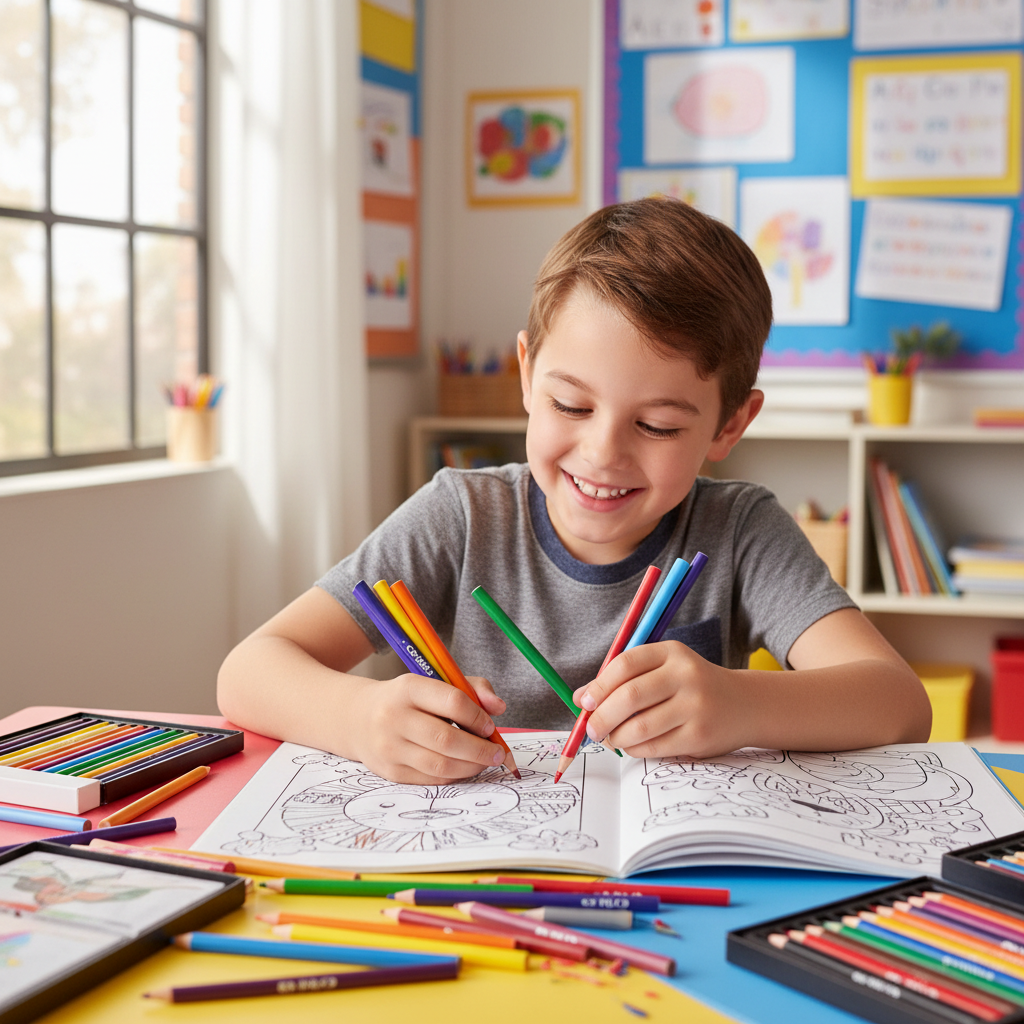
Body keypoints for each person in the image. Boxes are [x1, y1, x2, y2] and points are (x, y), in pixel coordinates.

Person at [218, 198, 931, 784]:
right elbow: (249, 672)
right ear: (527, 373)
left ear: (729, 424)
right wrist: (361, 718)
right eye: (572, 406)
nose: (602, 453)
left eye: (655, 425)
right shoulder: (462, 515)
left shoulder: (739, 528)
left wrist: (741, 703)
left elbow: (898, 703)